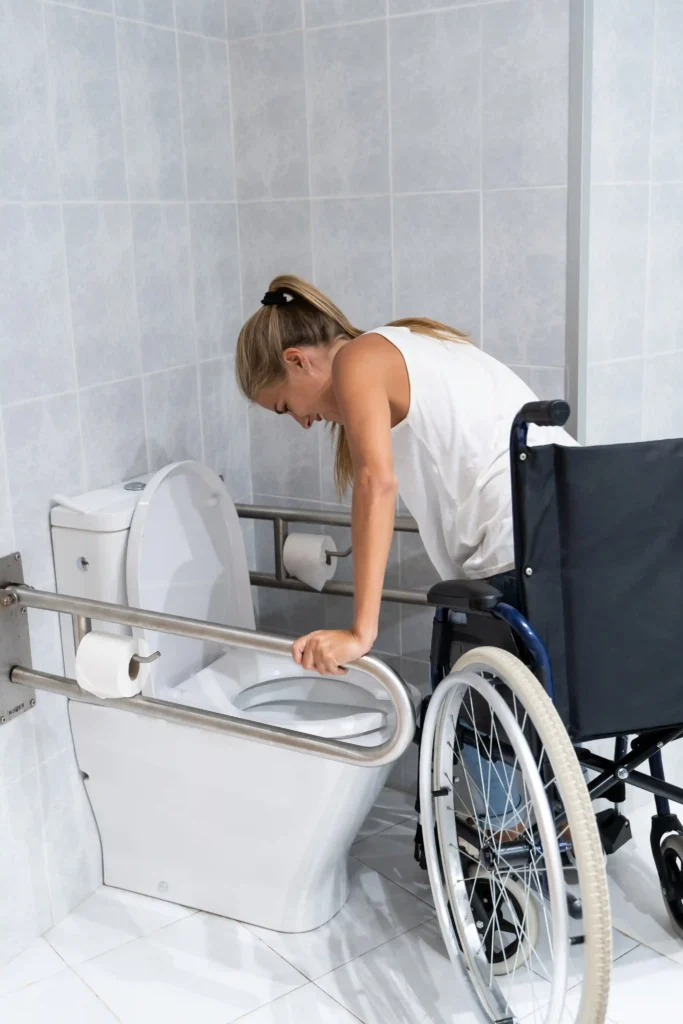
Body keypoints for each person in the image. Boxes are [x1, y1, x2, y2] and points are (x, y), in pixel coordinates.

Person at [235, 275, 575, 677]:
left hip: (520, 543)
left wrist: (360, 632)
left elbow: (375, 484)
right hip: (579, 518)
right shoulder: (412, 339)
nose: (302, 422)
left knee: (494, 729)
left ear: (296, 360)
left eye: (284, 406)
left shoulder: (356, 361)